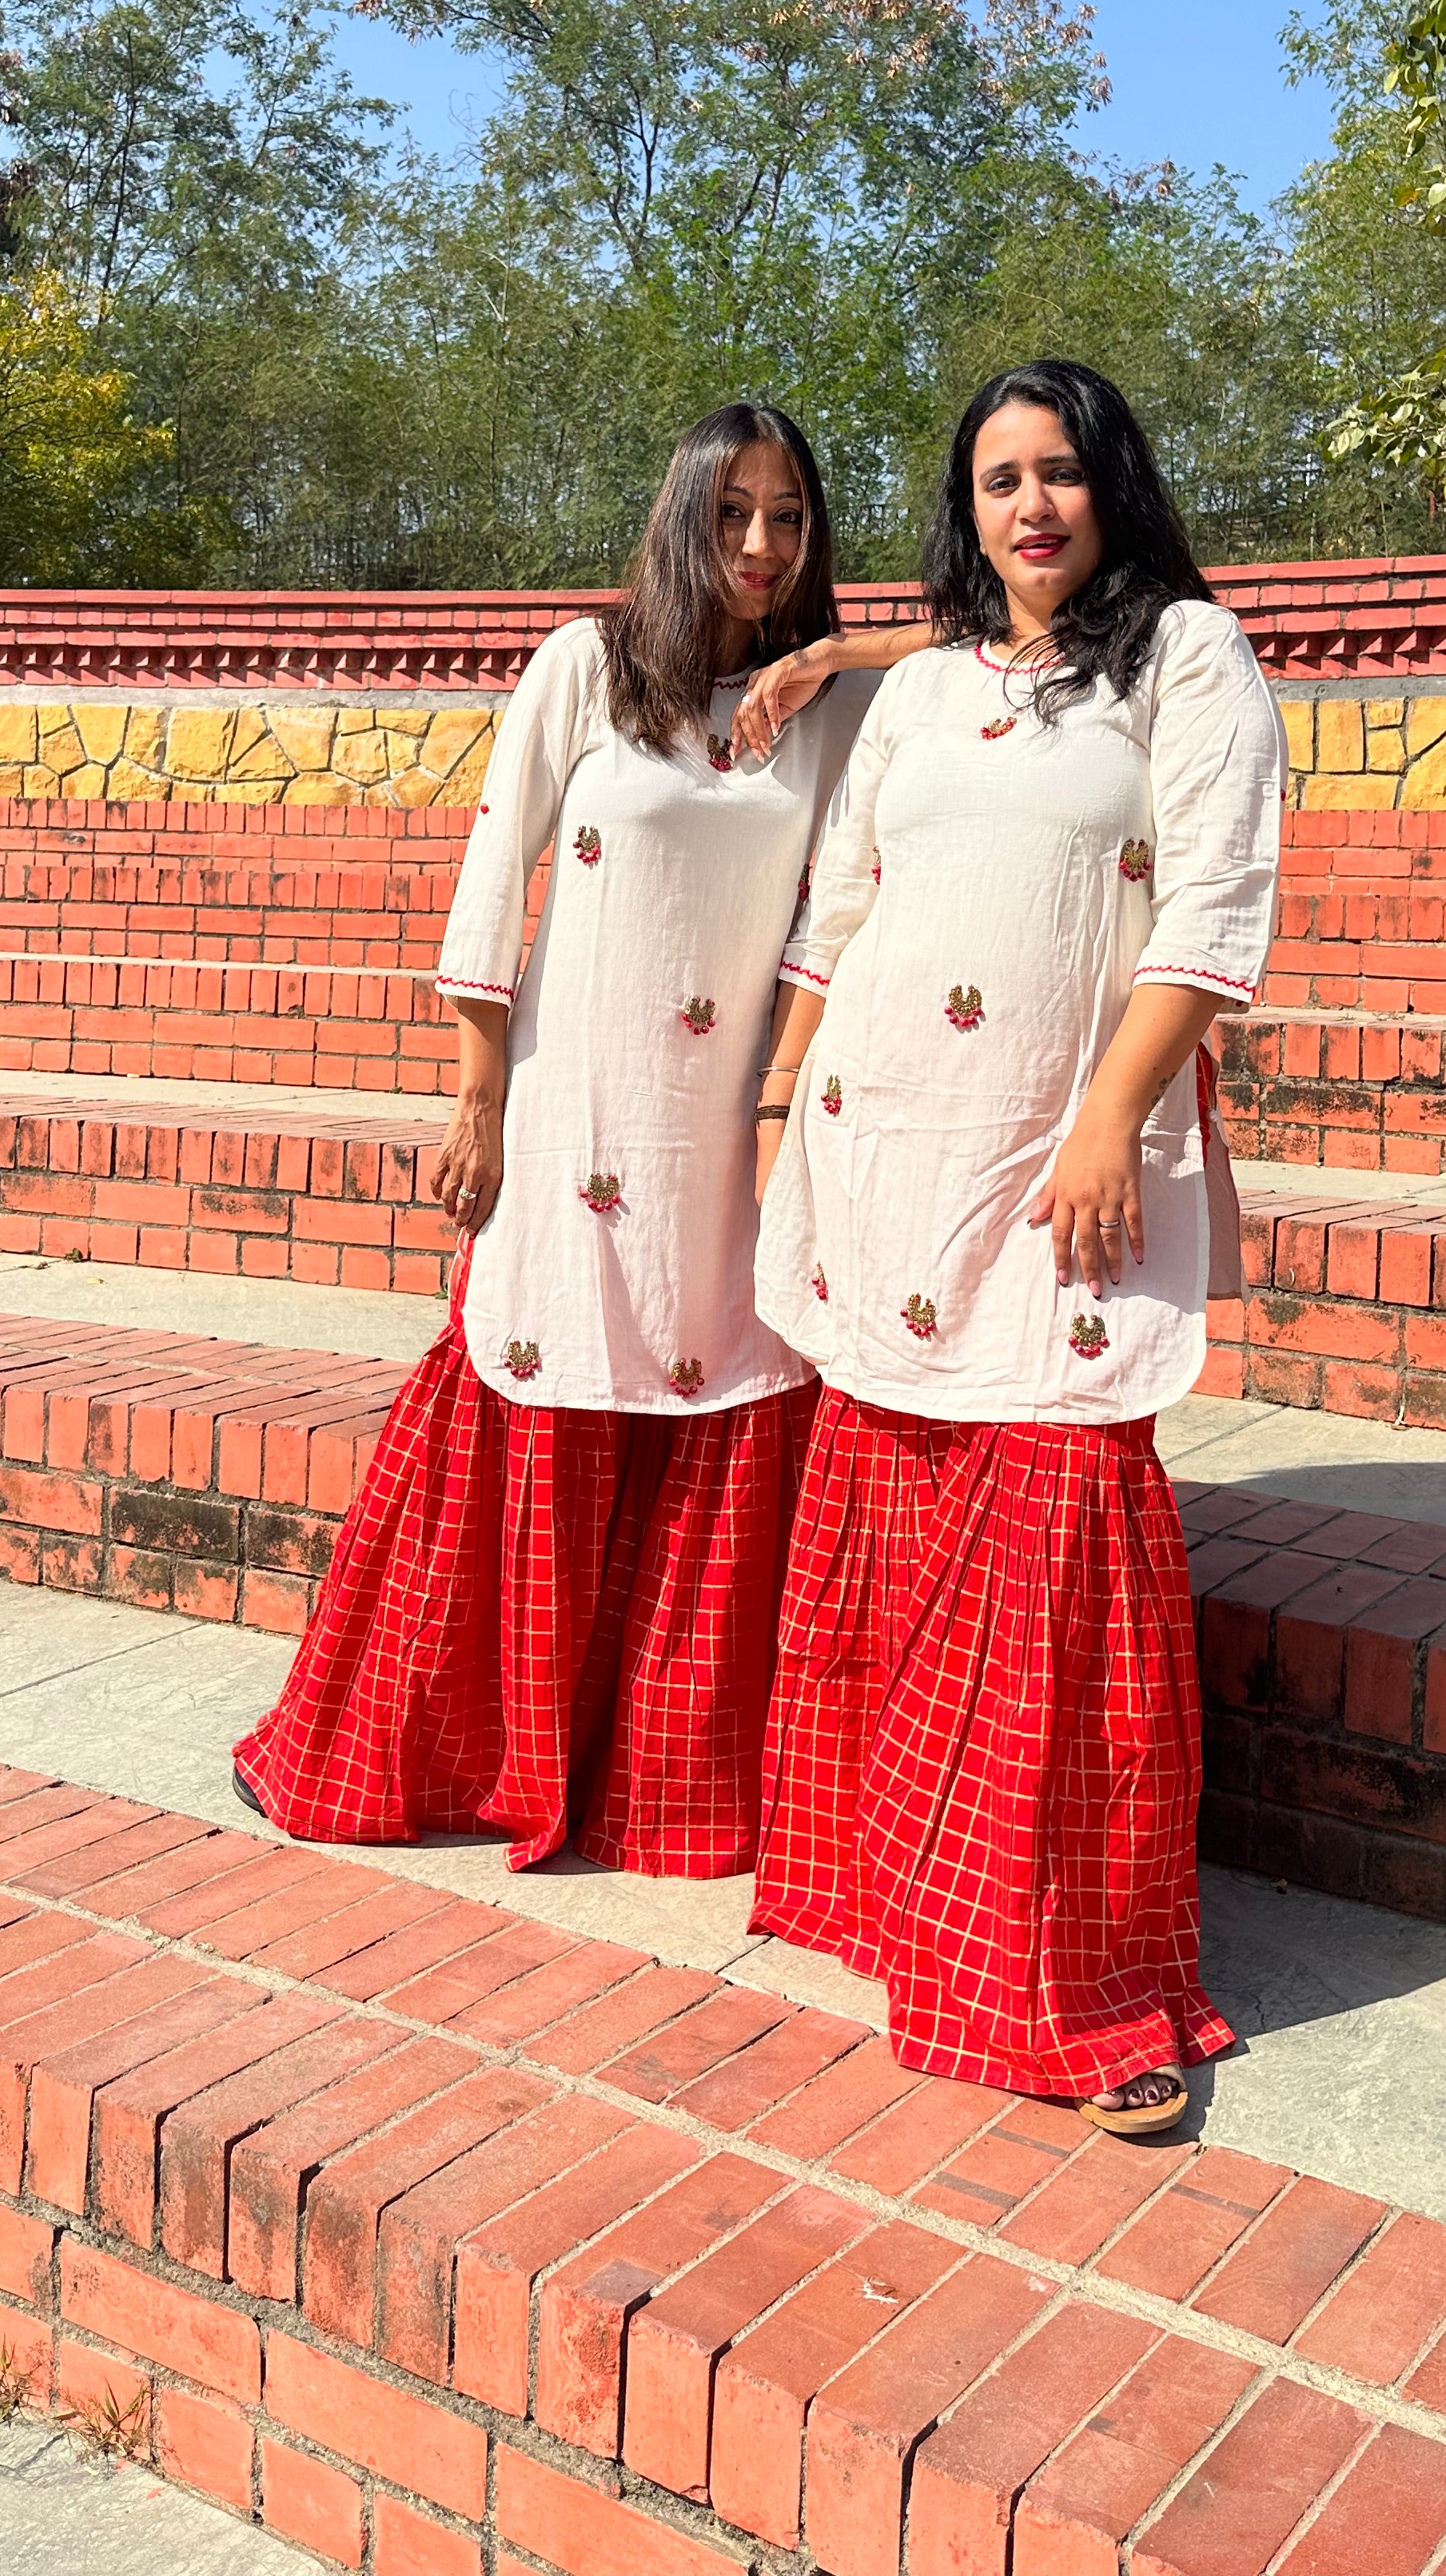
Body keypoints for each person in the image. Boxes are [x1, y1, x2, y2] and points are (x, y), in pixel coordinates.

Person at [233, 404, 917, 1872]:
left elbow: (989, 657)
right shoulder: (583, 668)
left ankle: (664, 1786)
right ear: (681, 515)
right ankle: (460, 1755)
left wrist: (833, 656)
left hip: (732, 1124)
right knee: (536, 1374)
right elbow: (496, 874)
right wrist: (476, 1094)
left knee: (716, 1385)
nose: (761, 545)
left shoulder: (836, 713)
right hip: (572, 1107)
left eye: (790, 516)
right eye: (733, 512)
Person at [749, 359, 1285, 2133]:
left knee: (1051, 1534)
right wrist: (786, 1104)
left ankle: (1072, 1977)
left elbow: (1210, 912)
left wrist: (1109, 1117)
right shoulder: (921, 694)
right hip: (887, 1145)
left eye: (1060, 473)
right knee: (898, 1521)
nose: (1031, 506)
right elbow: (841, 908)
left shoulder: (1187, 660)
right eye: (998, 481)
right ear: (964, 510)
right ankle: (890, 1905)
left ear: (1114, 487)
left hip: (1063, 1164)